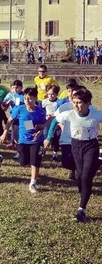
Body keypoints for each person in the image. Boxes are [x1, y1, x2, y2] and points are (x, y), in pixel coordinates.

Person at [54, 88, 102, 223]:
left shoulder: (96, 115)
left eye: (79, 102)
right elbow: (54, 119)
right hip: (75, 146)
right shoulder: (68, 114)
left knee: (86, 176)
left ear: (88, 103)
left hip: (90, 146)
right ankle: (96, 165)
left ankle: (81, 209)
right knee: (80, 177)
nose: (76, 105)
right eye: (74, 102)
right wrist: (47, 134)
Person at [0, 87, 46, 193]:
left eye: (30, 98)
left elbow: (44, 125)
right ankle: (32, 169)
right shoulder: (19, 109)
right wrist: (5, 133)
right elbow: (9, 121)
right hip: (23, 140)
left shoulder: (41, 112)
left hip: (37, 141)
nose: (27, 101)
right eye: (25, 98)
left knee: (35, 162)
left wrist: (40, 131)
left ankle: (33, 183)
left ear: (35, 98)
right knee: (23, 162)